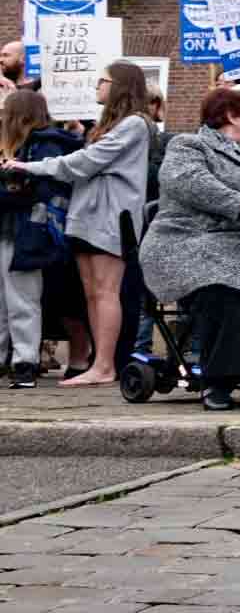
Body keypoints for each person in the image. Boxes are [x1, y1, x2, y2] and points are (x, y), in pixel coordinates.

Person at [138, 85, 240, 410]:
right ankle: (217, 383)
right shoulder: (188, 145)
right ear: (230, 116)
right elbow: (192, 183)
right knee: (224, 291)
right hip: (186, 243)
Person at [0, 60, 151, 387]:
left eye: (104, 80)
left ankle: (105, 365)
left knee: (106, 291)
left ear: (121, 86)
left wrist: (32, 167)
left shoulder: (135, 124)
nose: (98, 85)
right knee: (92, 294)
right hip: (87, 215)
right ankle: (98, 364)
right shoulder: (107, 125)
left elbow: (85, 164)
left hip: (111, 216)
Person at [0, 90, 71, 388]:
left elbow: (41, 190)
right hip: (12, 226)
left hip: (26, 230)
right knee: (6, 300)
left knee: (22, 298)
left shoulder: (44, 145)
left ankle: (25, 362)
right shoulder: (31, 144)